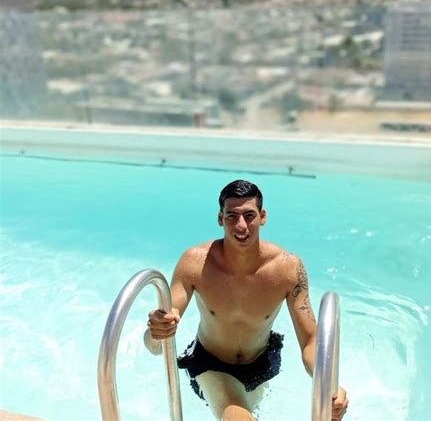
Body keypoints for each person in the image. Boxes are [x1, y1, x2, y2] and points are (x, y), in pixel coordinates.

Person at [144, 179, 348, 420]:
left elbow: (311, 341)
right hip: (210, 364)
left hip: (261, 365)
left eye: (249, 215)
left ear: (262, 217)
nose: (241, 225)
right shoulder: (195, 263)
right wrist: (157, 331)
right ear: (220, 219)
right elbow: (157, 341)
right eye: (232, 216)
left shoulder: (287, 269)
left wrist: (329, 384)